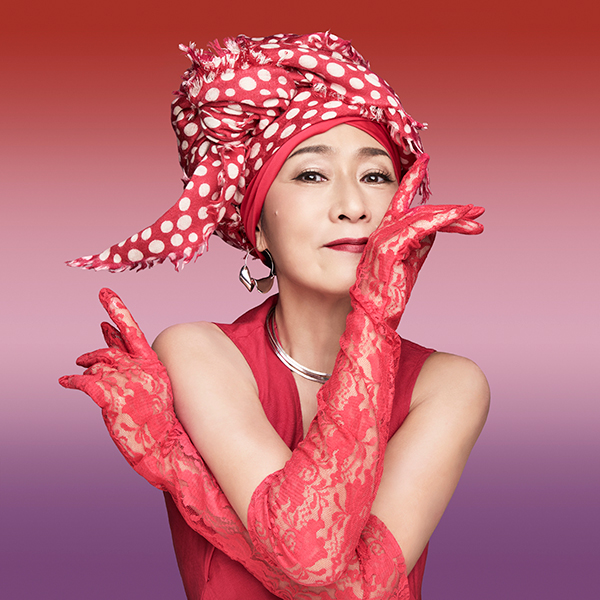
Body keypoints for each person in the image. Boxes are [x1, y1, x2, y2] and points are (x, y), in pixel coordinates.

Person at [60, 32, 489, 600]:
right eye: (311, 175)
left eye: (375, 176)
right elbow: (310, 557)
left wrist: (176, 464)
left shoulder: (450, 385)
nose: (353, 206)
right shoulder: (199, 352)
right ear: (257, 227)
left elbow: (350, 587)